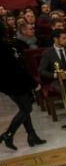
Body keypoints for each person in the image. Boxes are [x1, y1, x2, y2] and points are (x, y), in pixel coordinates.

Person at [0, 21, 45, 150]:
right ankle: (8, 134)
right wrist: (34, 83)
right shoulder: (4, 46)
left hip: (6, 84)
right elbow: (17, 68)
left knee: (23, 108)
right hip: (16, 82)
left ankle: (32, 135)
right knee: (26, 109)